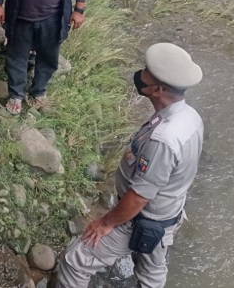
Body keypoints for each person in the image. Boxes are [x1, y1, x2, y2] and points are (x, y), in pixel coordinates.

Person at [56, 42, 204, 287]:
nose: (140, 74)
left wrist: (106, 223)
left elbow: (139, 197)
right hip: (168, 216)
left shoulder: (163, 139)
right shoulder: (190, 117)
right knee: (151, 274)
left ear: (157, 89)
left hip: (141, 220)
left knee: (75, 261)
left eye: (146, 71)